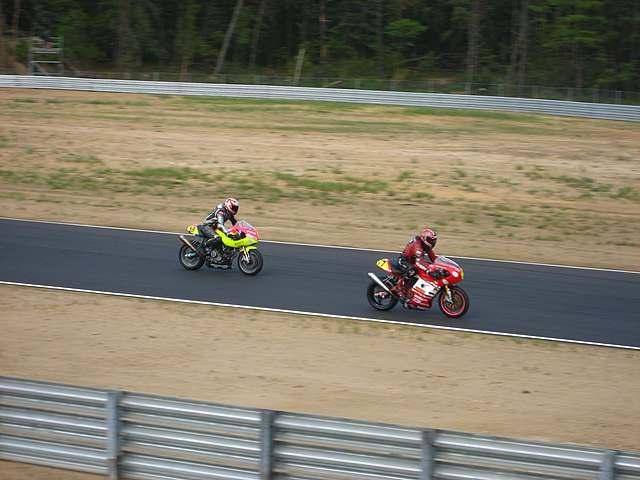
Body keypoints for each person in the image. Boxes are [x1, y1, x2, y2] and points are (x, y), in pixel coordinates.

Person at [396, 228, 442, 304]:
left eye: (433, 240)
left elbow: (433, 258)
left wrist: (441, 265)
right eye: (430, 240)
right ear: (424, 238)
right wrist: (429, 272)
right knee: (412, 271)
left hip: (413, 261)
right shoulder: (418, 246)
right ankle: (399, 287)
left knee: (429, 266)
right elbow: (419, 263)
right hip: (404, 260)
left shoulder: (426, 245)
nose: (432, 242)